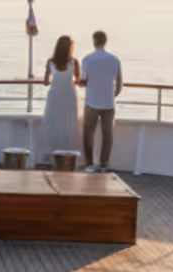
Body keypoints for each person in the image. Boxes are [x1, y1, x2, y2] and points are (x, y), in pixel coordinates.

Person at [79, 30, 123, 172]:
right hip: (108, 103)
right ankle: (104, 164)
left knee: (88, 134)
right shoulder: (115, 59)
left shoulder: (87, 59)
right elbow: (119, 82)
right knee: (107, 134)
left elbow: (83, 81)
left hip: (92, 102)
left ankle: (90, 164)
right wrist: (114, 94)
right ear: (105, 41)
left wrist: (81, 84)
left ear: (94, 41)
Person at [41, 34, 82, 163]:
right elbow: (78, 79)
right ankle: (68, 154)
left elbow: (46, 81)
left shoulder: (50, 62)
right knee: (69, 124)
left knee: (53, 123)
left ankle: (53, 152)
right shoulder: (74, 62)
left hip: (55, 95)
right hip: (69, 95)